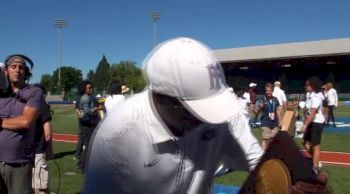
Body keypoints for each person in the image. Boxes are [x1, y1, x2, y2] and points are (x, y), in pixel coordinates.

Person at [83, 37, 263, 194]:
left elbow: (259, 162)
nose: (207, 119)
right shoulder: (117, 135)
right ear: (161, 98)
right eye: (196, 109)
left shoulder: (223, 116)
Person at [0, 54, 44, 194]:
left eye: (21, 67)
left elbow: (26, 121)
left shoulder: (34, 92)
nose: (17, 70)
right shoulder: (1, 94)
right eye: (13, 67)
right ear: (6, 71)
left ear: (26, 72)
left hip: (19, 164)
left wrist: (0, 122)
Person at [32, 84, 53, 194]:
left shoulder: (28, 104)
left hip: (28, 153)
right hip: (37, 152)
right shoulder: (42, 105)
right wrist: (49, 150)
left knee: (38, 187)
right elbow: (48, 133)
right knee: (40, 187)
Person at [301, 76, 325, 173]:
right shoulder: (310, 95)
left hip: (317, 122)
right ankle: (316, 161)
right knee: (306, 143)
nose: (306, 86)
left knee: (316, 145)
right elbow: (307, 110)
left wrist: (305, 125)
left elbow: (313, 113)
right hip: (312, 122)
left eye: (307, 85)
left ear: (313, 86)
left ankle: (315, 168)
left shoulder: (316, 96)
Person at [76, 80, 101, 173]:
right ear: (84, 89)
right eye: (89, 88)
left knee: (89, 144)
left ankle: (83, 164)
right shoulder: (86, 98)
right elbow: (87, 111)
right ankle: (81, 165)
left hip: (85, 123)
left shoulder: (84, 97)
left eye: (91, 87)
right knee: (89, 145)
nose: (91, 89)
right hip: (87, 124)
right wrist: (96, 109)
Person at [257, 82, 282, 150]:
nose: (268, 92)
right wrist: (260, 107)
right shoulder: (262, 99)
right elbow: (257, 112)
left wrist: (280, 122)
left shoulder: (275, 99)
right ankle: (263, 156)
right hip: (265, 122)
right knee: (265, 138)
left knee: (273, 140)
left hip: (275, 122)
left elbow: (278, 111)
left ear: (272, 90)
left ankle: (270, 154)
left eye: (270, 90)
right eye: (266, 90)